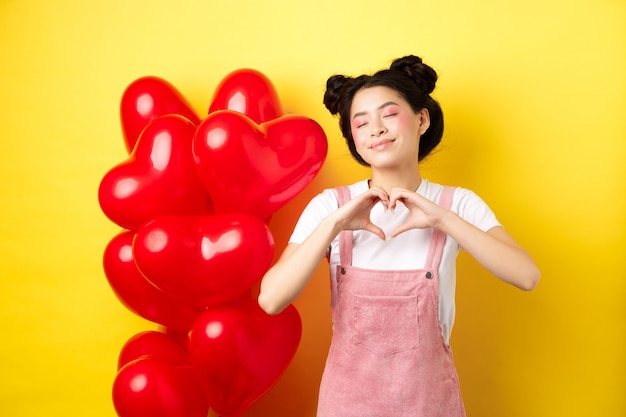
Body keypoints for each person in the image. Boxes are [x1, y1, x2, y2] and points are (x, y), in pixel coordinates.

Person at [258, 55, 540, 417]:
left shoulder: (456, 204)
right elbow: (271, 300)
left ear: (421, 119)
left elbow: (526, 275)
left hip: (428, 405)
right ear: (354, 140)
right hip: (347, 406)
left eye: (389, 114)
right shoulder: (332, 206)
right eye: (360, 123)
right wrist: (335, 224)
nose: (375, 128)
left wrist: (443, 219)